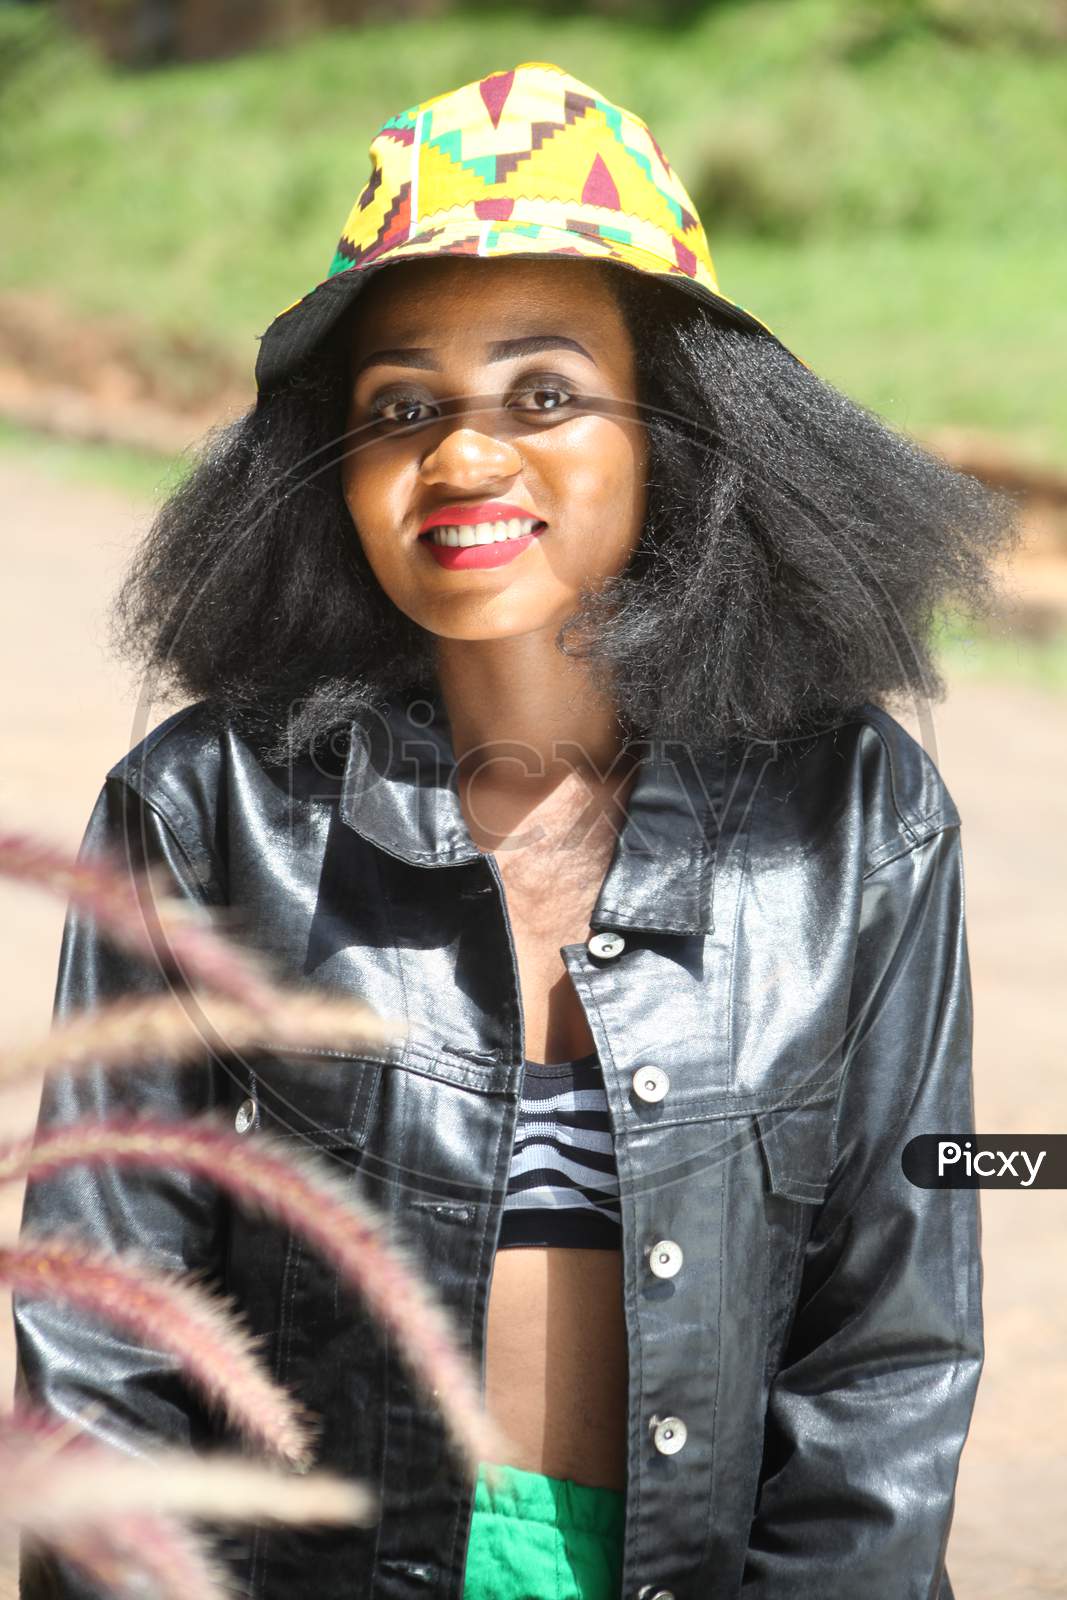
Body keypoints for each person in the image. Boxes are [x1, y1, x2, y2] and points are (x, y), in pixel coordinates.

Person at [15, 60, 1016, 1600]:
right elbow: (101, 1345)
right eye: (400, 408)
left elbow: (890, 1351)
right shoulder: (206, 814)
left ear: (679, 432)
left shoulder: (859, 821)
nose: (465, 457)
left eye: (544, 394)